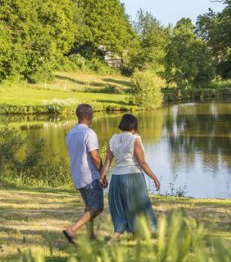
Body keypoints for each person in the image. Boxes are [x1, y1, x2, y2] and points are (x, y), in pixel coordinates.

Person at [99, 113, 160, 241]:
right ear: (134, 125)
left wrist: (101, 177)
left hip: (116, 178)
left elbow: (108, 162)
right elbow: (142, 163)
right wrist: (154, 178)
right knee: (139, 204)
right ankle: (145, 230)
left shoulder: (113, 139)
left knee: (120, 206)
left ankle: (120, 232)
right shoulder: (134, 139)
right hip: (133, 177)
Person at [63, 103, 106, 245]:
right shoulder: (89, 133)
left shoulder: (71, 133)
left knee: (89, 206)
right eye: (92, 113)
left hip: (77, 174)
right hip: (89, 175)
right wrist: (102, 174)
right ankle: (72, 230)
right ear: (87, 115)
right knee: (97, 207)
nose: (93, 116)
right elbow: (95, 156)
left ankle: (90, 235)